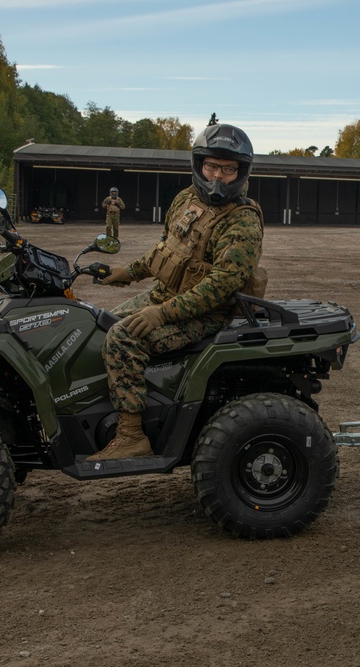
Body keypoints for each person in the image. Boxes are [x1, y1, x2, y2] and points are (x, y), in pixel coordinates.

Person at [88, 123, 265, 460]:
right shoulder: (186, 199)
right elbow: (165, 250)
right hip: (165, 297)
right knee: (96, 323)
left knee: (122, 338)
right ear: (199, 165)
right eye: (212, 166)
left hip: (206, 314)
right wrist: (128, 272)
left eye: (229, 169)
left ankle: (130, 435)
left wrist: (161, 314)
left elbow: (222, 286)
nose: (217, 177)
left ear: (241, 172)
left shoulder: (242, 220)